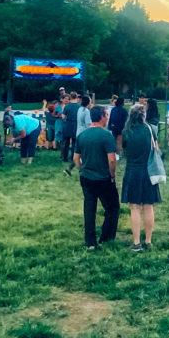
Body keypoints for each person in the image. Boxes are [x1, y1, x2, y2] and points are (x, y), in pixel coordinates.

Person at [74, 106, 119, 250]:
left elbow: (76, 159)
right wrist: (112, 175)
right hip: (103, 178)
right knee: (112, 208)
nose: (107, 118)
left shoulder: (82, 135)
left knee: (89, 209)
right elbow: (112, 160)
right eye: (106, 115)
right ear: (101, 117)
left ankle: (90, 242)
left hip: (86, 178)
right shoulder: (106, 136)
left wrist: (82, 170)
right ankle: (106, 237)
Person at [121, 104, 161, 252]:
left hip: (132, 171)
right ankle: (148, 241)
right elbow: (156, 149)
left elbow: (124, 150)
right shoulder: (150, 129)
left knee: (135, 208)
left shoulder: (126, 131)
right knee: (149, 206)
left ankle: (136, 242)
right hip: (149, 171)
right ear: (143, 115)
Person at [61, 93, 81, 173]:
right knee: (74, 143)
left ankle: (64, 157)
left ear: (70, 98)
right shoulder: (79, 107)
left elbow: (63, 117)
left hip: (67, 125)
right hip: (76, 125)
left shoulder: (67, 106)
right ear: (76, 97)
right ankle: (72, 157)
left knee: (65, 142)